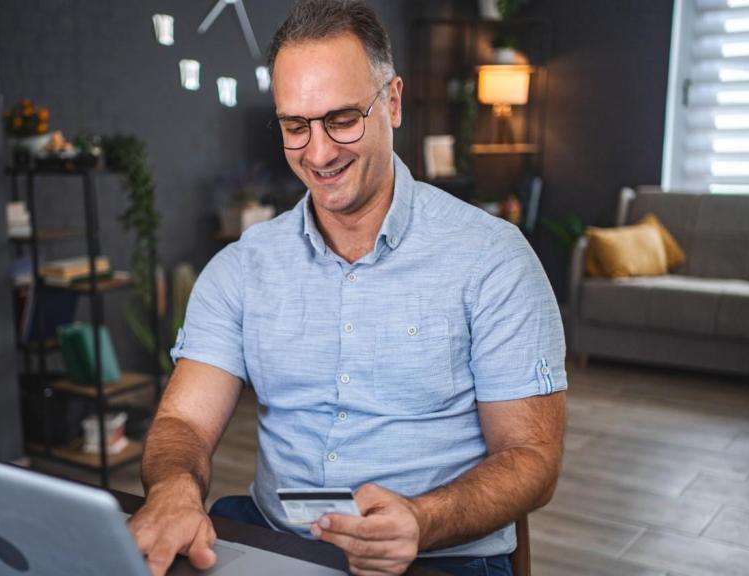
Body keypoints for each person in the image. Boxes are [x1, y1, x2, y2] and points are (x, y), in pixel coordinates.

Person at [128, 1, 567, 575]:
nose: (318, 152)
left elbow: (531, 457)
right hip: (278, 542)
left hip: (436, 552)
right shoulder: (242, 267)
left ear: (393, 102)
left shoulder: (493, 258)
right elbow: (183, 423)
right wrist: (175, 488)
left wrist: (422, 518)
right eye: (295, 126)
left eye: (341, 120)